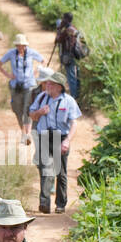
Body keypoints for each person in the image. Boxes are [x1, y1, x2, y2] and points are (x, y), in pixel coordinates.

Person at [29, 68, 82, 215]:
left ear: (59, 87)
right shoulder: (41, 98)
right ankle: (44, 203)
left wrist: (67, 141)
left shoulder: (68, 101)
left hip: (61, 137)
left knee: (60, 172)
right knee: (45, 169)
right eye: (48, 83)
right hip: (44, 136)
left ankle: (60, 204)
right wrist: (40, 112)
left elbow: (74, 123)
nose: (48, 86)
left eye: (51, 84)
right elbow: (32, 115)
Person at [0, 34, 44, 144]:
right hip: (16, 85)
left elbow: (43, 60)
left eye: (22, 45)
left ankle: (27, 134)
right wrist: (8, 75)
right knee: (17, 109)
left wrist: (37, 71)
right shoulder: (11, 53)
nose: (20, 47)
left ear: (25, 45)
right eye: (18, 45)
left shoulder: (31, 52)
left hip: (29, 85)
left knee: (27, 109)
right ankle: (23, 132)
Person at [54, 11, 89, 101]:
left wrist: (58, 30)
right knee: (76, 76)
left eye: (63, 19)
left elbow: (58, 40)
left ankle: (74, 97)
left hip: (69, 57)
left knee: (71, 77)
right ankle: (77, 96)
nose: (62, 20)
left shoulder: (68, 30)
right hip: (76, 56)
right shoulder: (73, 28)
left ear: (65, 19)